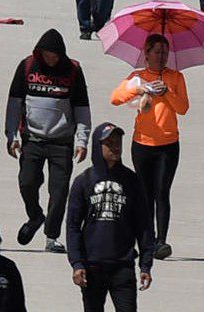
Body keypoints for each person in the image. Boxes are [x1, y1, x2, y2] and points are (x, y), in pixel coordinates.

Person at [6, 29, 92, 253]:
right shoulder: (27, 66)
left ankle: (51, 236)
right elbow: (14, 103)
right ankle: (35, 216)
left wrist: (82, 140)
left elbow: (82, 107)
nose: (50, 59)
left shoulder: (73, 70)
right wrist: (11, 135)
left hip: (61, 142)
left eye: (54, 55)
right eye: (46, 54)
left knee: (59, 191)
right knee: (27, 182)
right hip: (32, 139)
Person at [110, 34, 187, 260]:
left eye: (165, 52)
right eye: (157, 52)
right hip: (142, 143)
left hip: (168, 144)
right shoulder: (137, 77)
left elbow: (183, 108)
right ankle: (146, 240)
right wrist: (139, 89)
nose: (161, 57)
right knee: (144, 195)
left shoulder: (176, 77)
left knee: (162, 192)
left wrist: (167, 92)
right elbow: (115, 98)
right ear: (147, 53)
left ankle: (161, 241)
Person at [64, 123, 154, 312]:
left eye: (118, 142)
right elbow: (72, 226)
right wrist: (77, 263)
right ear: (98, 147)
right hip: (92, 267)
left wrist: (145, 265)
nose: (115, 147)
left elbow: (144, 224)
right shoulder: (84, 181)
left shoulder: (132, 180)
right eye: (109, 143)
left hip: (123, 266)